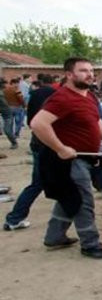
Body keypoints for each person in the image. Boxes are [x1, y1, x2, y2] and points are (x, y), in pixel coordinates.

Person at [31, 57, 102, 259]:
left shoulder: (89, 96)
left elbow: (96, 123)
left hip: (86, 158)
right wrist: (60, 147)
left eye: (91, 70)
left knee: (69, 197)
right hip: (69, 160)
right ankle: (90, 245)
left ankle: (54, 237)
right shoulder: (62, 98)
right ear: (69, 74)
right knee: (84, 201)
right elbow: (38, 124)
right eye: (84, 70)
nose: (90, 74)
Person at [3, 74, 56, 231]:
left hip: (39, 143)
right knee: (40, 183)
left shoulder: (36, 94)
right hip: (48, 146)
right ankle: (14, 218)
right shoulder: (56, 96)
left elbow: (30, 120)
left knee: (40, 183)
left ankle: (15, 219)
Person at [3, 78, 25, 147]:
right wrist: (24, 105)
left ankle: (12, 134)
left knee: (10, 123)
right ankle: (16, 134)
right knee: (19, 122)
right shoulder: (17, 89)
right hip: (17, 107)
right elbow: (21, 98)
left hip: (8, 107)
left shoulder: (4, 90)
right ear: (13, 83)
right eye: (17, 83)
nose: (18, 84)